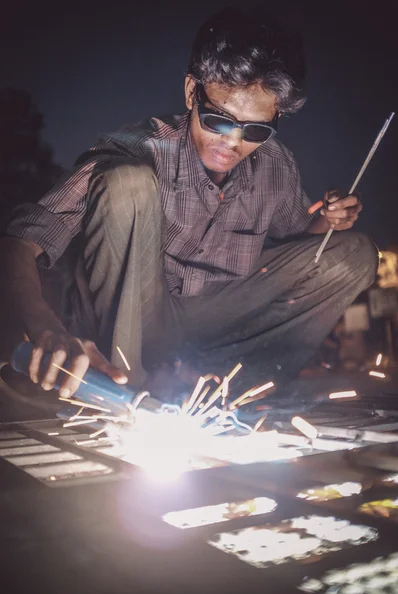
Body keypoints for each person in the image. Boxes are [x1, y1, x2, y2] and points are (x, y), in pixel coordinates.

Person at [0, 8, 377, 403]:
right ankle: (123, 392)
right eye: (219, 120)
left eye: (255, 130)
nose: (232, 143)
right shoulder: (137, 149)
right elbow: (18, 245)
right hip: (136, 314)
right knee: (127, 183)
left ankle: (228, 394)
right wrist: (44, 327)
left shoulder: (275, 164)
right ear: (191, 92)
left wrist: (330, 220)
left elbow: (302, 248)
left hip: (214, 320)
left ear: (276, 117)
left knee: (354, 255)